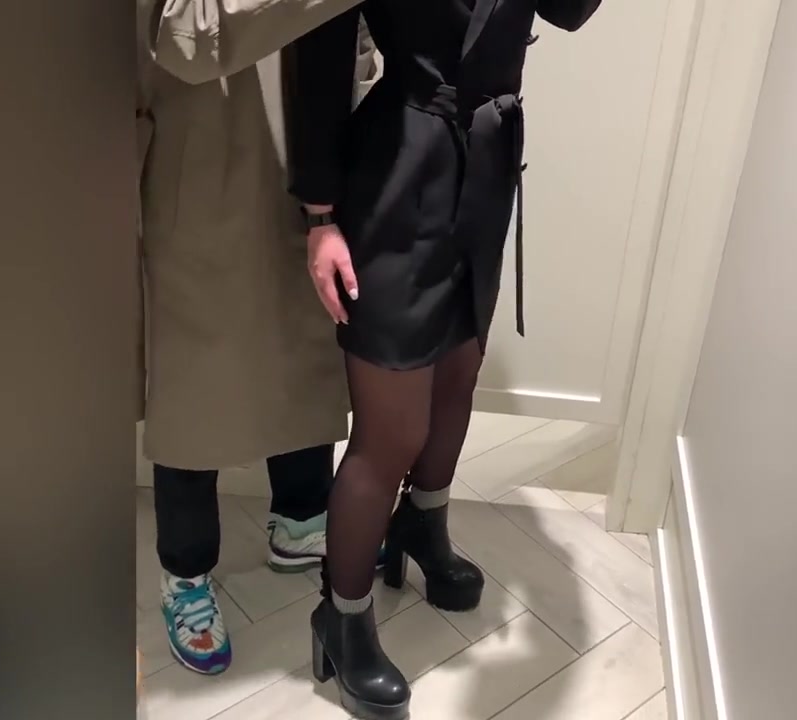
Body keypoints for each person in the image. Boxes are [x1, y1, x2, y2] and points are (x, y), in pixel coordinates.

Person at [287, 1, 603, 717]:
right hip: (397, 174)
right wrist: (320, 216)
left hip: (488, 166)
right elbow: (319, 57)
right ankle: (342, 616)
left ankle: (422, 525)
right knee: (392, 429)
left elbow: (570, 11)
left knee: (459, 375)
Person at [136, 0, 378, 675]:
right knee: (194, 374)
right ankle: (186, 570)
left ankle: (300, 519)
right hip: (196, 156)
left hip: (307, 155)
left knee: (306, 337)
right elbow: (185, 38)